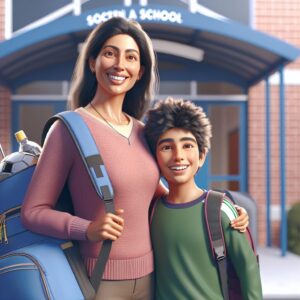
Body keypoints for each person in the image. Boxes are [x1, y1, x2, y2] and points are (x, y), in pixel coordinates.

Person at [21, 17, 249, 300]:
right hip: (100, 281)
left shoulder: (144, 133)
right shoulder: (68, 129)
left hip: (153, 278)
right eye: (109, 53)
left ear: (140, 72)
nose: (119, 64)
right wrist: (87, 229)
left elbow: (168, 200)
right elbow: (32, 212)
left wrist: (225, 212)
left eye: (130, 57)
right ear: (92, 62)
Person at [144, 97, 263, 300]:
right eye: (166, 147)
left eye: (188, 146)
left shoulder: (220, 208)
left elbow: (249, 272)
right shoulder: (151, 210)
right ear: (154, 157)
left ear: (202, 156)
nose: (178, 156)